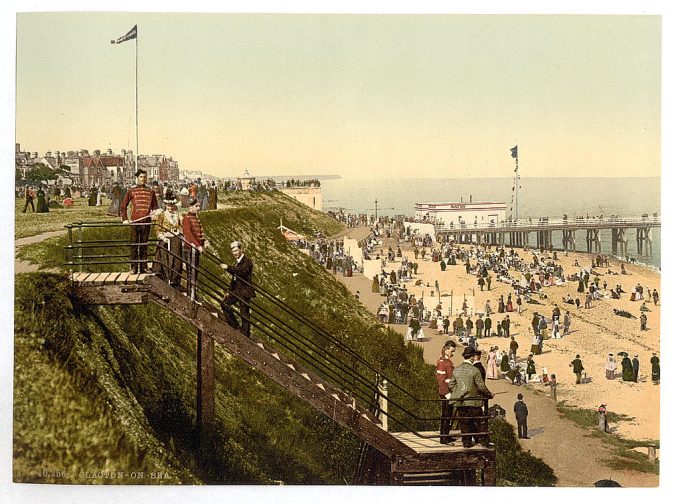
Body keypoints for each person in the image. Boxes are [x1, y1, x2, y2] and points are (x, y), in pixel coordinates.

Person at [448, 345, 494, 448]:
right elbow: (481, 387)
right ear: (472, 357)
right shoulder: (475, 370)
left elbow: (451, 385)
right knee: (479, 422)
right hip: (473, 402)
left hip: (460, 402)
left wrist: (460, 391)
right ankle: (484, 443)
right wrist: (489, 395)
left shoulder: (457, 370)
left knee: (464, 424)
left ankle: (466, 443)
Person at [120, 169, 160, 274]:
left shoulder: (151, 192)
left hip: (146, 222)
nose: (143, 179)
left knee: (144, 245)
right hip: (135, 222)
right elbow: (123, 205)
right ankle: (133, 268)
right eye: (141, 177)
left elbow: (155, 206)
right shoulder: (131, 191)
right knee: (134, 244)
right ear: (137, 178)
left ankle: (143, 267)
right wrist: (125, 219)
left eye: (145, 177)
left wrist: (155, 212)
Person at [220, 240, 256, 338]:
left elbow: (241, 272)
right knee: (225, 303)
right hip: (237, 291)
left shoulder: (247, 261)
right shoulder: (237, 262)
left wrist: (228, 267)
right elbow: (234, 279)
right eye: (233, 252)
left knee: (244, 314)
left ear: (241, 249)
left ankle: (245, 335)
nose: (235, 253)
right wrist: (229, 291)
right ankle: (235, 326)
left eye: (236, 251)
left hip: (244, 291)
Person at [152, 190, 183, 288]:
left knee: (177, 261)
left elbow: (182, 227)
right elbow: (157, 229)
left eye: (172, 205)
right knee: (164, 260)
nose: (170, 207)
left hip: (176, 240)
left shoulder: (177, 215)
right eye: (168, 205)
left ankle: (175, 281)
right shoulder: (161, 216)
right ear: (165, 205)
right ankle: (164, 280)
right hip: (165, 240)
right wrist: (163, 237)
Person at [181, 197, 207, 298]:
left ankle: (192, 292)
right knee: (191, 271)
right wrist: (197, 245)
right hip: (190, 249)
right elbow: (188, 235)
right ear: (190, 207)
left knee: (194, 271)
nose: (198, 208)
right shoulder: (187, 218)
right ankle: (190, 292)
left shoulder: (195, 218)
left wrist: (203, 242)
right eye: (196, 206)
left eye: (199, 206)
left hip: (195, 249)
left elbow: (198, 234)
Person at [436, 345, 455, 444]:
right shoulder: (442, 362)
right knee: (446, 414)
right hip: (445, 392)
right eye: (451, 351)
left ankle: (446, 435)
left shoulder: (448, 361)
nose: (452, 353)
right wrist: (446, 393)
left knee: (449, 415)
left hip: (449, 391)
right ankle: (443, 438)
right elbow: (440, 380)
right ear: (446, 350)